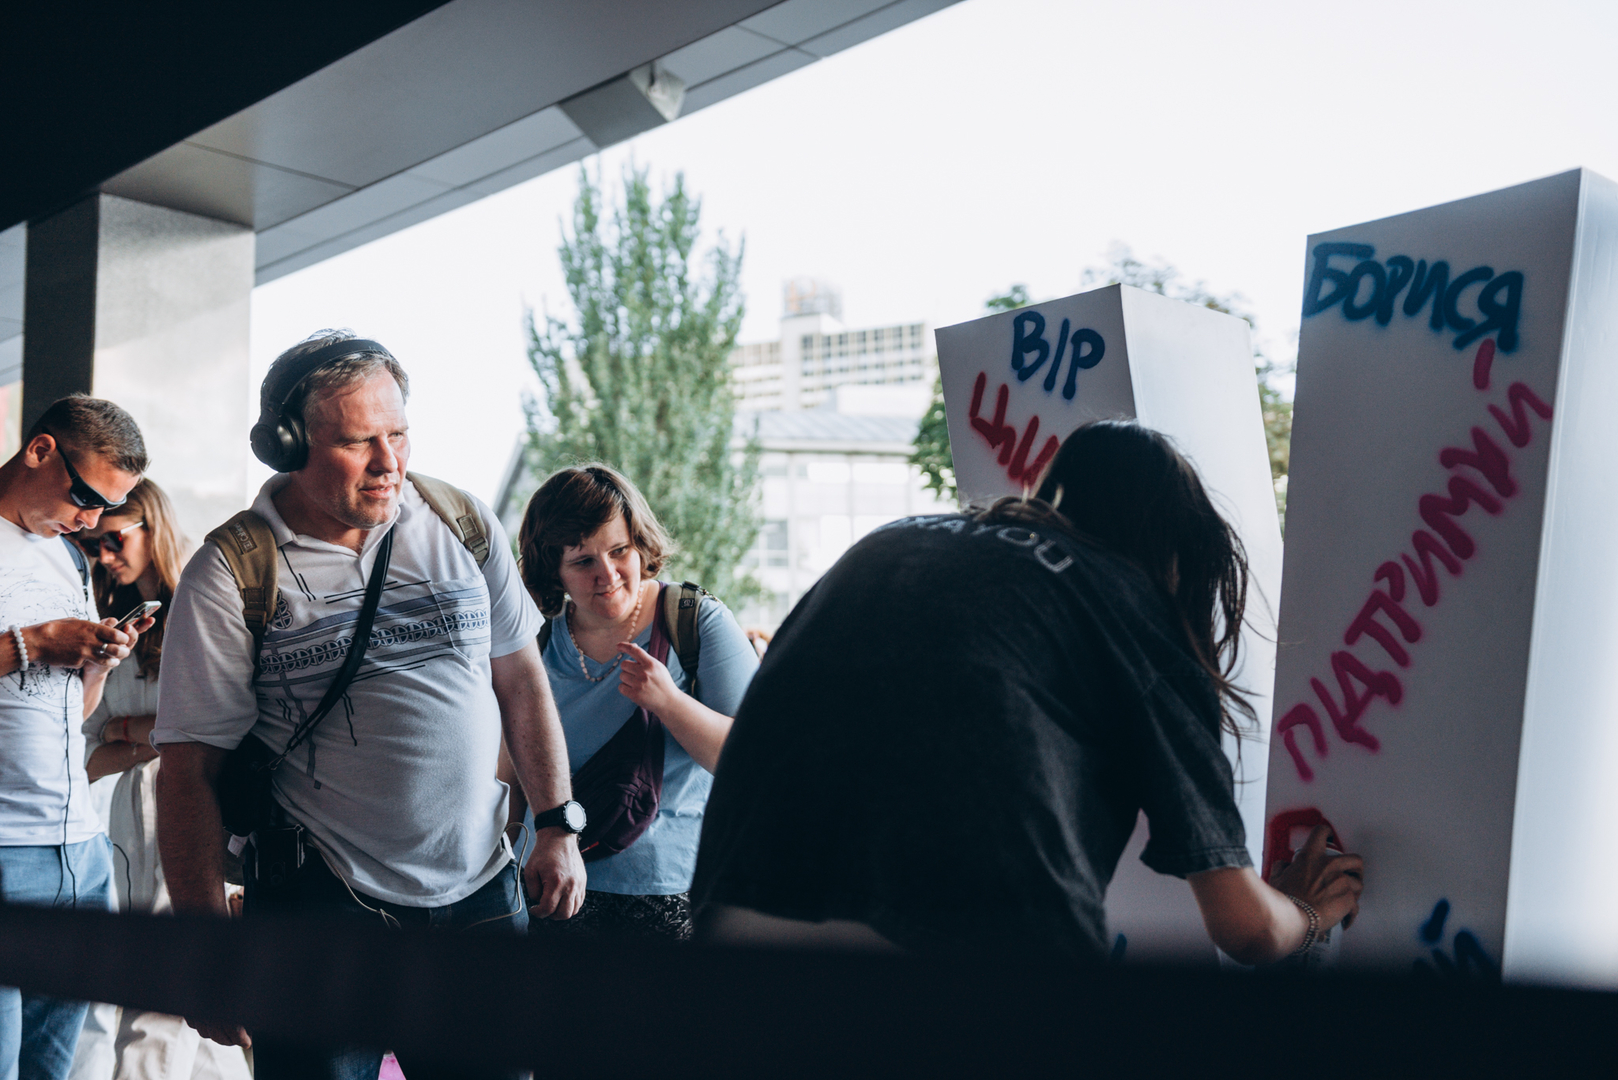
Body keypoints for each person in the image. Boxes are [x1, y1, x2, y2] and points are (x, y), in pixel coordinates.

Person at [692, 420, 1365, 963]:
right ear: (1178, 549)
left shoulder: (894, 541)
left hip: (740, 911)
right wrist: (1307, 913)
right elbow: (1243, 927)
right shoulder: (1131, 603)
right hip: (975, 950)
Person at [153, 330, 584, 1079]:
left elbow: (520, 679)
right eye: (359, 442)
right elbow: (189, 769)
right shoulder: (232, 571)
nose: (390, 463)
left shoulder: (459, 521)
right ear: (288, 445)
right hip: (322, 909)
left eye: (399, 435)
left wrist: (556, 823)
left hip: (481, 895)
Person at [514, 464, 758, 940]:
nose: (607, 575)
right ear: (554, 571)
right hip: (552, 889)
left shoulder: (694, 620)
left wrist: (668, 701)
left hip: (668, 892)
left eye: (619, 550)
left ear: (639, 544)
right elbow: (512, 770)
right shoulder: (535, 640)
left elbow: (752, 759)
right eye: (583, 561)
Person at [73, 480, 251, 1080]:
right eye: (95, 545)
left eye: (115, 540)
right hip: (115, 814)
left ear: (153, 526)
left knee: (169, 979)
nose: (105, 556)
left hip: (185, 806)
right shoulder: (109, 620)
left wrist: (130, 731)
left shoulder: (202, 611)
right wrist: (140, 732)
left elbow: (219, 728)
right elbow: (87, 743)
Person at [0, 395, 154, 1080]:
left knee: (57, 1070)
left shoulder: (67, 558)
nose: (92, 521)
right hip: (5, 849)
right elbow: (32, 654)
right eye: (87, 496)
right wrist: (31, 644)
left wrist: (94, 662)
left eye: (107, 508)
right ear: (40, 451)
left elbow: (74, 705)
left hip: (79, 849)